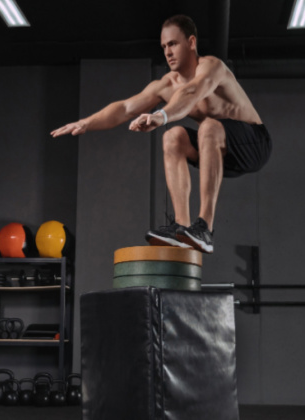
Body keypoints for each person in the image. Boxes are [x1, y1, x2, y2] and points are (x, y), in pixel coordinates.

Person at [51, 15, 271, 254]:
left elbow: (193, 91)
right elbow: (125, 107)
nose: (168, 52)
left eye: (173, 44)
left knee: (208, 126)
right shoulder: (166, 84)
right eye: (164, 46)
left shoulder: (211, 67)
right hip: (220, 152)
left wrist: (161, 116)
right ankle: (182, 228)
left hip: (254, 144)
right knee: (173, 137)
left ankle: (205, 228)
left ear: (191, 42)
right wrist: (86, 122)